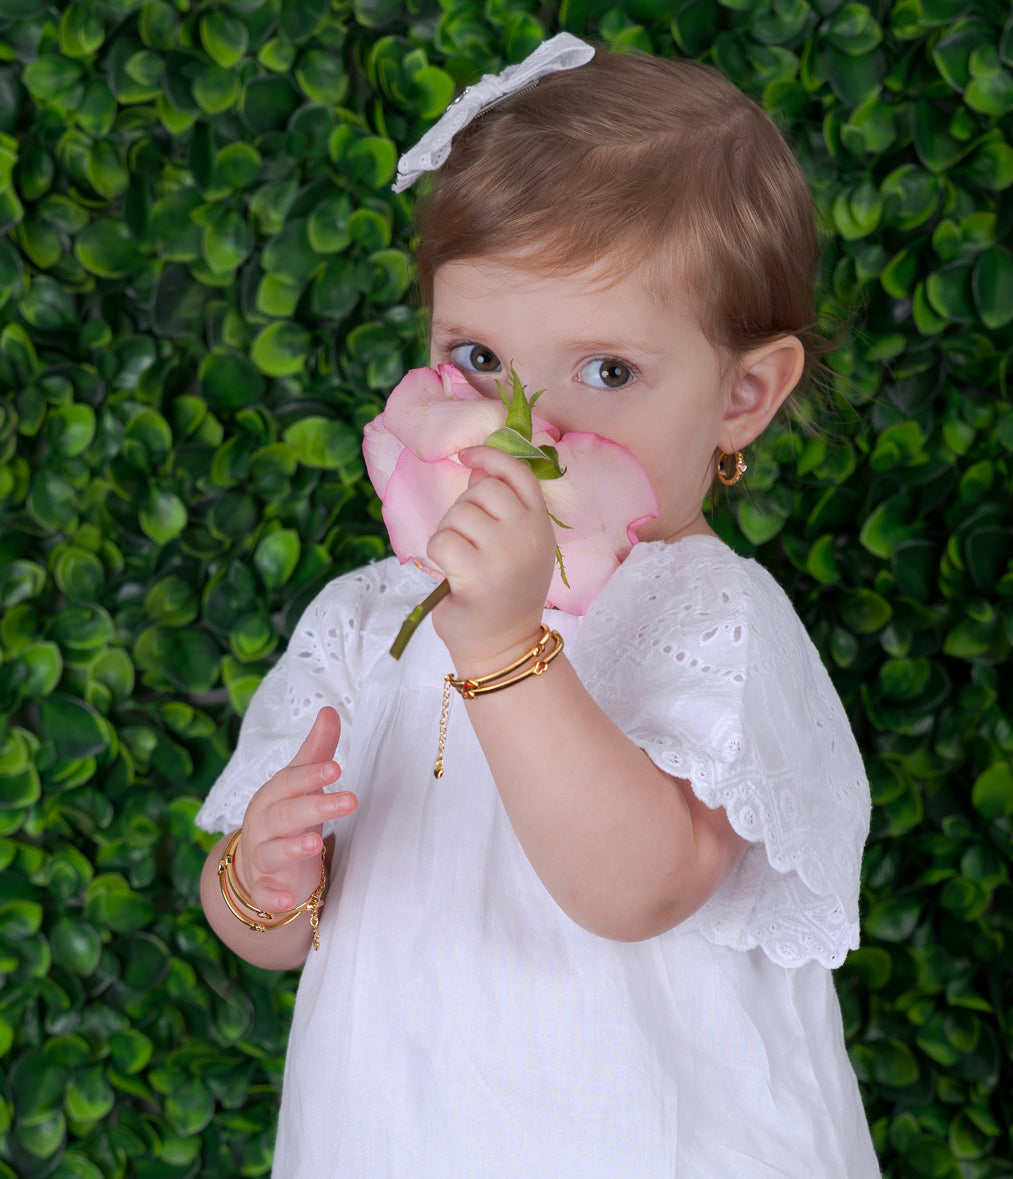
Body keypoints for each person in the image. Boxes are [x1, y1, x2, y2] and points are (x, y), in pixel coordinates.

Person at [197, 33, 880, 1178]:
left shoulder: (713, 618)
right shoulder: (371, 616)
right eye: (474, 356)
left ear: (744, 395)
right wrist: (260, 878)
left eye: (606, 371)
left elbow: (635, 890)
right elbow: (271, 930)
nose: (527, 424)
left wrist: (510, 647)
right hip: (392, 1137)